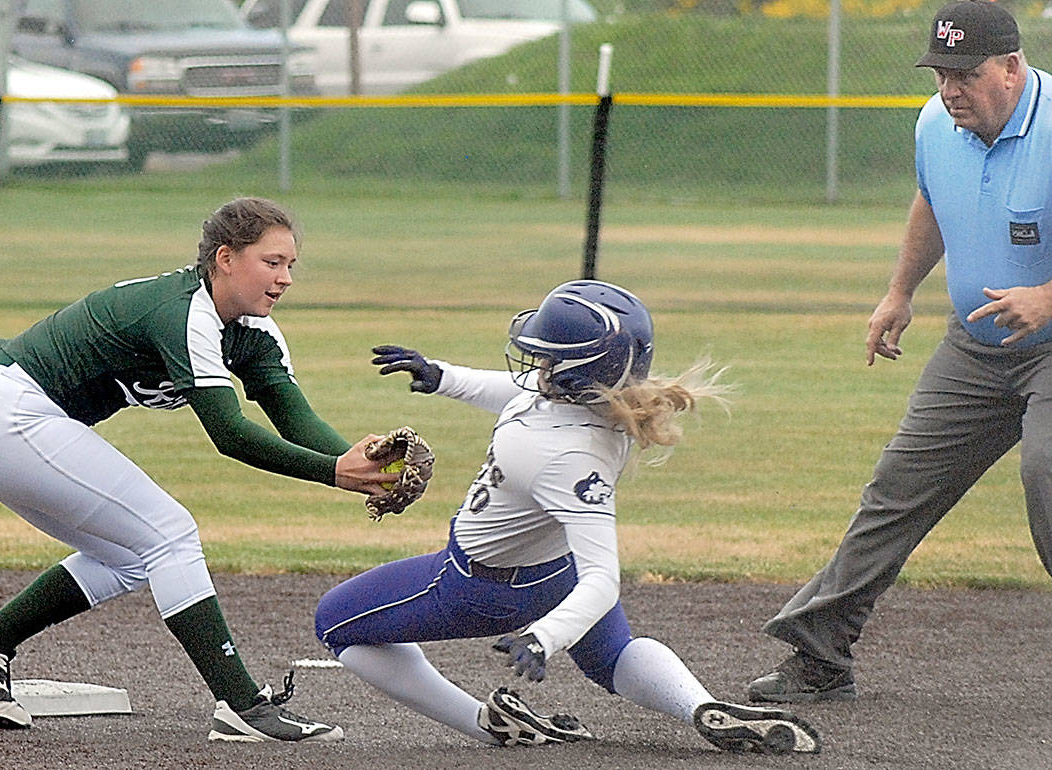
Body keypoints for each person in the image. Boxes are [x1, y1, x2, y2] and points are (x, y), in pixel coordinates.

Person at [0, 197, 399, 742]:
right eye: (272, 262)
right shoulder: (186, 312)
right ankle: (242, 706)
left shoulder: (254, 332)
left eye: (290, 265)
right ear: (226, 258)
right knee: (171, 533)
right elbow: (229, 435)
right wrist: (335, 473)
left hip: (8, 420)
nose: (286, 278)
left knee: (132, 556)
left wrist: (358, 464)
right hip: (8, 413)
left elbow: (294, 418)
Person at [313, 280, 821, 754]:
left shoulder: (558, 452)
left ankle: (486, 725)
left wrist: (544, 637)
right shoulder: (608, 407)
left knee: (336, 623)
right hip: (559, 574)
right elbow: (523, 396)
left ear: (578, 372)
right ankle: (698, 706)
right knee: (613, 658)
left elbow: (604, 579)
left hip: (481, 587)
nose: (537, 364)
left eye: (549, 357)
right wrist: (442, 376)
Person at [747, 0, 1052, 704]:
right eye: (941, 73)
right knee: (895, 492)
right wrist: (899, 292)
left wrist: (1046, 297)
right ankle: (820, 656)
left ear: (1010, 67)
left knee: (1047, 474)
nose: (949, 89)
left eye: (965, 74)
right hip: (975, 348)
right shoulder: (936, 123)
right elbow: (931, 202)